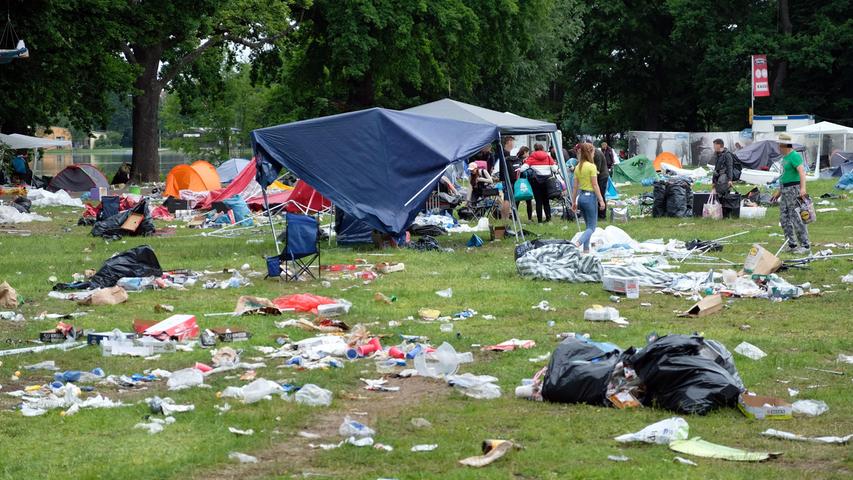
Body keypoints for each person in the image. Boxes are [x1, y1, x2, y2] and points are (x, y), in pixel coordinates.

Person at [771, 133, 810, 254]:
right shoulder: (784, 158)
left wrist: (803, 188)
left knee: (797, 217)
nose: (778, 147)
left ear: (784, 145)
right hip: (785, 190)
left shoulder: (794, 156)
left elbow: (802, 173)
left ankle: (805, 245)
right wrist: (778, 191)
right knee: (784, 218)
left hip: (794, 190)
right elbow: (784, 176)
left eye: (779, 145)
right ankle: (791, 244)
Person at [572, 143, 606, 253]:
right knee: (592, 227)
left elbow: (575, 187)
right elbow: (595, 185)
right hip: (590, 198)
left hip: (581, 197)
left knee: (588, 226)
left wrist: (573, 202)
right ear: (590, 152)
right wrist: (601, 200)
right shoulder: (592, 167)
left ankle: (586, 250)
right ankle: (578, 243)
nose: (594, 154)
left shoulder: (577, 167)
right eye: (593, 152)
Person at [518, 143, 557, 223]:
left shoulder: (532, 156)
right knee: (546, 201)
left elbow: (522, 169)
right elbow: (554, 169)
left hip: (536, 182)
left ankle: (539, 221)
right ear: (542, 148)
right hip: (547, 181)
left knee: (538, 201)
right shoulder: (548, 156)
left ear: (535, 149)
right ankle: (548, 219)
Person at [511, 146, 533, 221]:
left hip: (517, 183)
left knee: (517, 200)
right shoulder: (524, 161)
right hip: (525, 182)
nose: (528, 154)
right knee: (528, 200)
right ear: (524, 152)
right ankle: (529, 219)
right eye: (528, 153)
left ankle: (515, 219)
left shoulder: (515, 160)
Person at [593, 144, 610, 219]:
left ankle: (602, 215)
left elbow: (597, 170)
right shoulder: (593, 153)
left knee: (601, 194)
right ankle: (597, 213)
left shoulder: (597, 154)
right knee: (597, 195)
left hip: (602, 176)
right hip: (598, 176)